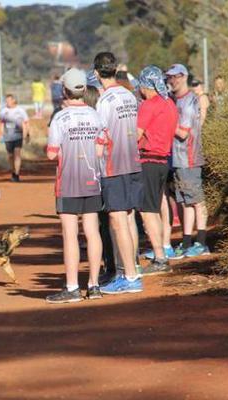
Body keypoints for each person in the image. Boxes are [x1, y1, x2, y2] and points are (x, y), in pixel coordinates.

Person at [44, 68, 103, 304]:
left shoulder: (60, 117)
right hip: (92, 180)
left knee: (70, 234)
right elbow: (101, 148)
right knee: (92, 231)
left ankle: (71, 287)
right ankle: (94, 285)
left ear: (64, 90)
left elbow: (51, 154)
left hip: (68, 182)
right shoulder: (95, 115)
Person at [92, 52, 143, 294]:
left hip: (113, 166)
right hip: (133, 161)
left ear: (96, 73)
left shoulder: (105, 100)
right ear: (114, 69)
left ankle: (130, 276)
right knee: (129, 217)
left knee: (118, 219)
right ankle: (131, 270)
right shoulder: (129, 95)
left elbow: (101, 136)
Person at [135, 65, 179, 275]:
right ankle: (161, 253)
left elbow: (136, 134)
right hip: (163, 161)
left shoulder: (148, 105)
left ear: (145, 86)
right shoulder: (169, 103)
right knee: (156, 208)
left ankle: (160, 258)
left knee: (148, 211)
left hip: (149, 161)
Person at [166, 64, 210, 258]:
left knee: (197, 201)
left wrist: (166, 121)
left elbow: (183, 133)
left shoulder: (190, 101)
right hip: (178, 159)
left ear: (184, 77)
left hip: (189, 158)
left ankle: (201, 242)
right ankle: (186, 242)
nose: (172, 81)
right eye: (170, 77)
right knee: (185, 202)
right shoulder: (177, 101)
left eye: (176, 77)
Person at [0, 94, 29, 183]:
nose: (7, 102)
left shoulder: (20, 110)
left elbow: (26, 122)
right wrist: (0, 134)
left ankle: (17, 174)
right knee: (10, 156)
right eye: (6, 101)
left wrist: (26, 134)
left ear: (14, 100)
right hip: (7, 137)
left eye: (9, 100)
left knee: (17, 154)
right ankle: (13, 171)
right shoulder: (3, 111)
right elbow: (0, 123)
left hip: (18, 136)